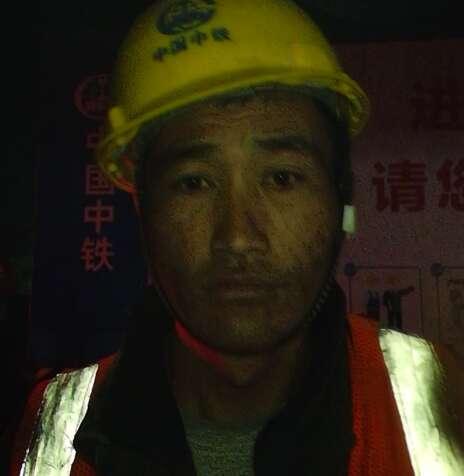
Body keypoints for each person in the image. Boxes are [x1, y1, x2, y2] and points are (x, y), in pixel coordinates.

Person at [9, 0, 464, 475]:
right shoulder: (53, 423)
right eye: (193, 183)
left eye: (282, 178)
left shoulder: (444, 397)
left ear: (340, 196)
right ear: (141, 205)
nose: (239, 237)